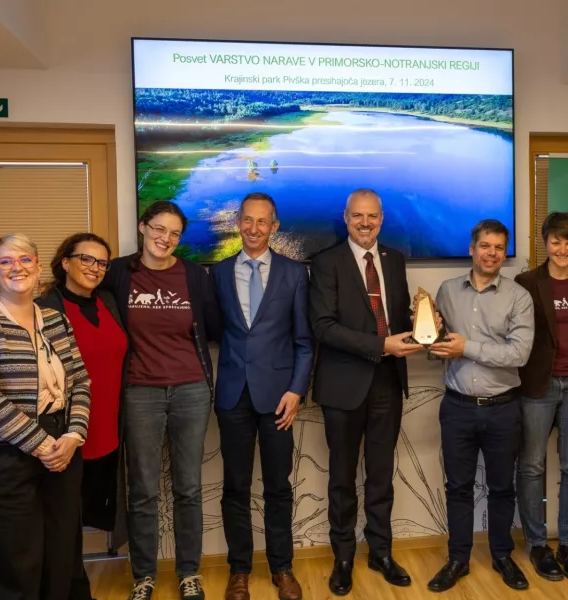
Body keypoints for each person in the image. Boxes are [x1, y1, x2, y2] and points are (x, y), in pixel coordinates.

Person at [0, 233, 91, 599]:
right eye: (6, 261)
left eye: (25, 259)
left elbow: (80, 381)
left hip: (61, 450)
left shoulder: (56, 321)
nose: (18, 267)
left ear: (38, 265)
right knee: (16, 562)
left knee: (61, 554)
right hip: (2, 457)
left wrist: (73, 436)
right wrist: (42, 443)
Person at [100, 201, 221, 600]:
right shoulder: (118, 272)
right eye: (158, 228)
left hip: (191, 390)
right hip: (139, 392)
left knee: (188, 487)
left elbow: (214, 327)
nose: (164, 238)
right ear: (142, 227)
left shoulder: (194, 276)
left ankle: (189, 574)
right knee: (144, 490)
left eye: (173, 233)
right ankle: (144, 577)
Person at [309, 189, 425, 596]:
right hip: (343, 386)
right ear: (345, 217)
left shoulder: (394, 259)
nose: (365, 223)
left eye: (372, 216)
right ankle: (343, 558)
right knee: (342, 478)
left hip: (388, 383)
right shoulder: (326, 263)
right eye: (357, 216)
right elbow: (322, 326)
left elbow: (395, 313)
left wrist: (420, 320)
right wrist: (382, 346)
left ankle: (381, 552)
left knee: (380, 476)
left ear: (382, 218)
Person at [209, 193, 312, 600]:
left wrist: (296, 390)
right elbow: (217, 331)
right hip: (233, 395)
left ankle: (282, 568)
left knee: (278, 488)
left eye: (262, 221)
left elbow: (304, 341)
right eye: (247, 220)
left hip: (278, 400)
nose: (253, 228)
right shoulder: (215, 274)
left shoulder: (293, 273)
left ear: (275, 226)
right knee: (234, 487)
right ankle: (238, 572)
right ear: (238, 222)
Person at [426, 219, 535, 593]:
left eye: (499, 248)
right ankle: (458, 559)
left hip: (503, 408)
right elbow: (436, 348)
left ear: (504, 254)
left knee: (503, 487)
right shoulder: (446, 291)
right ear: (472, 249)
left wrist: (465, 347)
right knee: (458, 487)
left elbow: (519, 354)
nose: (492, 253)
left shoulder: (519, 297)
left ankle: (502, 555)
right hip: (457, 407)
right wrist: (428, 337)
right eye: (485, 246)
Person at [38, 233, 129, 600]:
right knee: (60, 525)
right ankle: (69, 591)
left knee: (81, 518)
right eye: (86, 259)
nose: (95, 268)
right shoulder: (45, 310)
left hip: (108, 430)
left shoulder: (108, 301)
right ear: (65, 262)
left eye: (102, 263)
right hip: (67, 434)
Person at [514, 212, 568, 582]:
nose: (562, 249)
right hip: (539, 384)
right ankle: (537, 544)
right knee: (532, 466)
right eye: (556, 241)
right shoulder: (526, 282)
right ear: (544, 242)